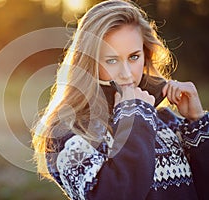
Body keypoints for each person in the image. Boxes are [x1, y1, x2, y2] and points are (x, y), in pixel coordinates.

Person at [31, 0, 209, 199]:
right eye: (112, 60)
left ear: (146, 56)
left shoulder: (167, 121)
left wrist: (197, 123)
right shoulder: (67, 132)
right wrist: (134, 119)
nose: (126, 74)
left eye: (134, 57)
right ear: (89, 63)